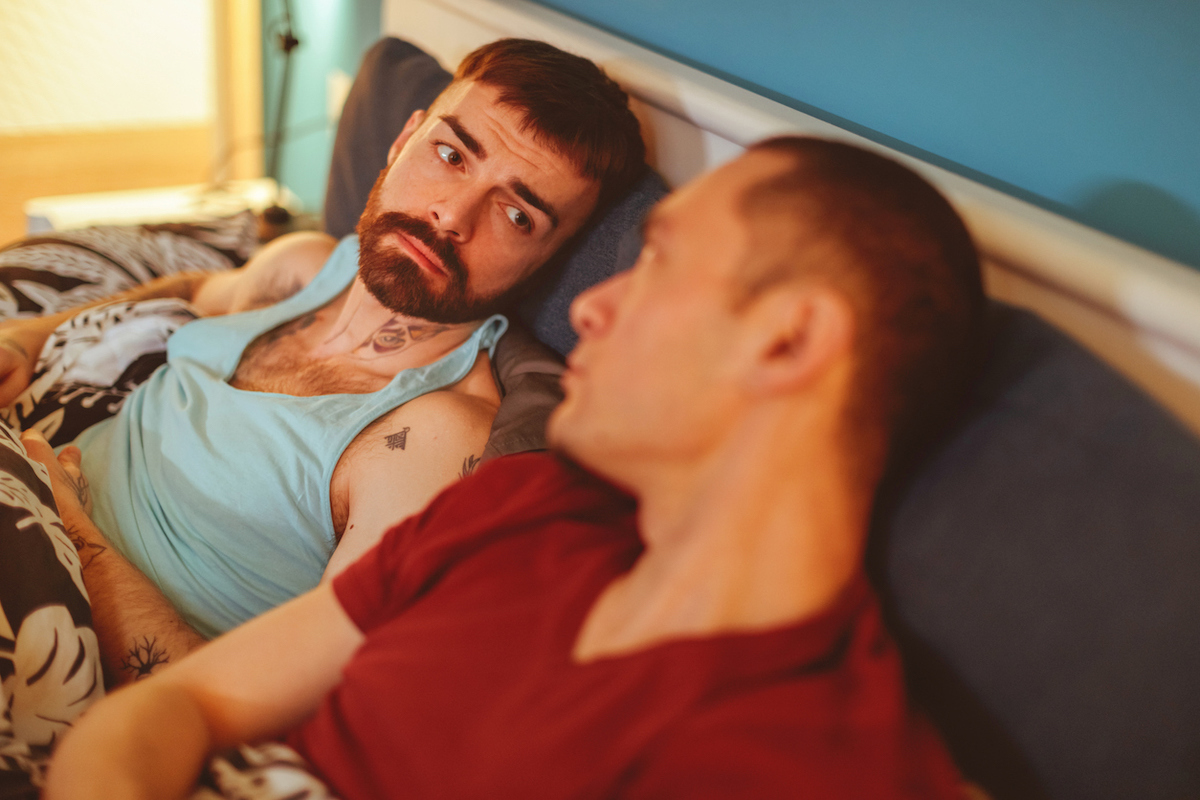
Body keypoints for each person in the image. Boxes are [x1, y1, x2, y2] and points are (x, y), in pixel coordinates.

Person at [38, 135, 985, 798]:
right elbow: (178, 706)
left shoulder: (803, 761)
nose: (591, 311)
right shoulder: (521, 504)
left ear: (790, 339)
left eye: (661, 263)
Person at [0, 37, 646, 687]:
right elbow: (194, 290)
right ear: (403, 141)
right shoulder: (307, 266)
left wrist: (78, 535)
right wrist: (28, 336)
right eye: (450, 155)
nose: (451, 215)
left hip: (59, 620)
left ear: (549, 261)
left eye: (515, 214)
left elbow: (247, 697)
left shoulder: (430, 439)